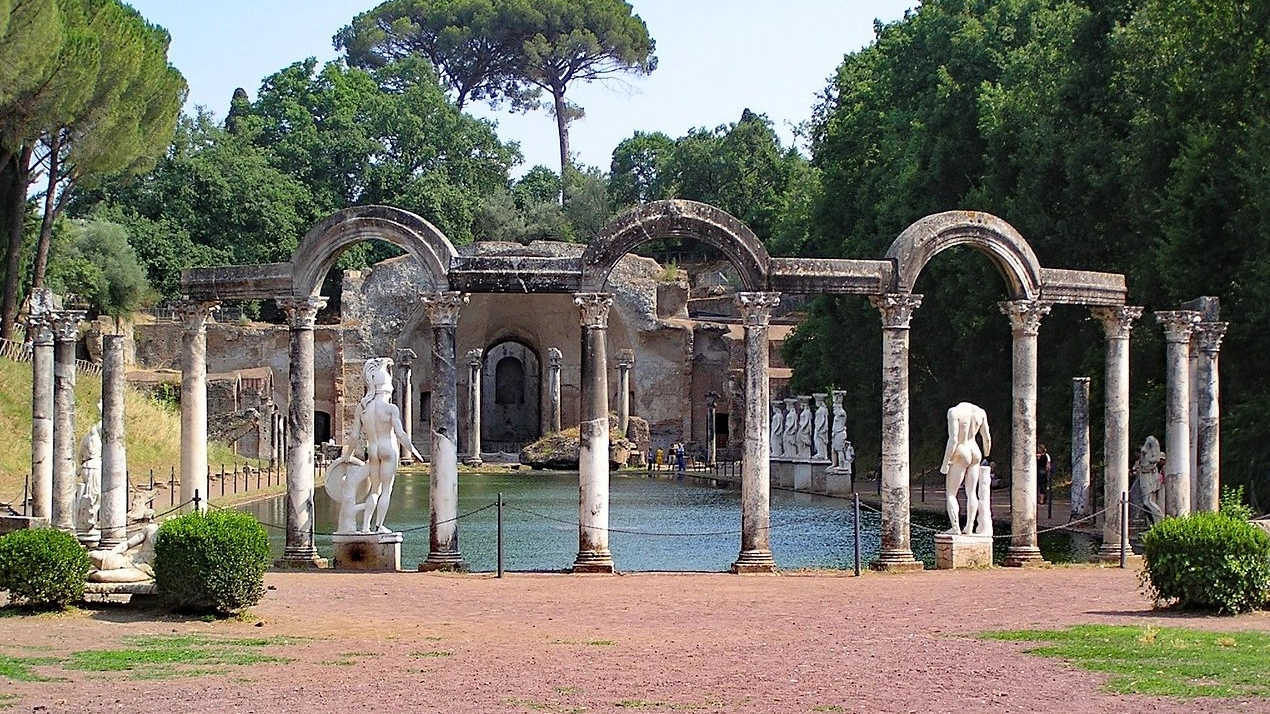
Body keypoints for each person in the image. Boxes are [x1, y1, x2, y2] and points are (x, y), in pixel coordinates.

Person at [334, 357, 424, 534]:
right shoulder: (391, 408)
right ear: (388, 387)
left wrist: (348, 455)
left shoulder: (363, 407)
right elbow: (400, 434)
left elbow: (354, 436)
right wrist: (413, 450)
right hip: (388, 449)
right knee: (386, 490)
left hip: (373, 450)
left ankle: (366, 527)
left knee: (374, 490)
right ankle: (379, 525)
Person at [939, 402, 992, 535]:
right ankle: (969, 526)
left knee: (951, 493)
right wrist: (986, 454)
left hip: (961, 450)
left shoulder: (954, 412)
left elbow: (953, 440)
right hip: (975, 450)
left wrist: (945, 463)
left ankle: (955, 527)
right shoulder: (980, 412)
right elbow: (987, 438)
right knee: (971, 492)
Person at [87, 522, 160, 583]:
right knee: (93, 555)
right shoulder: (151, 528)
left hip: (142, 571)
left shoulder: (169, 536)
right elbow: (127, 544)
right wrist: (112, 554)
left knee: (100, 576)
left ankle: (82, 577)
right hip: (130, 559)